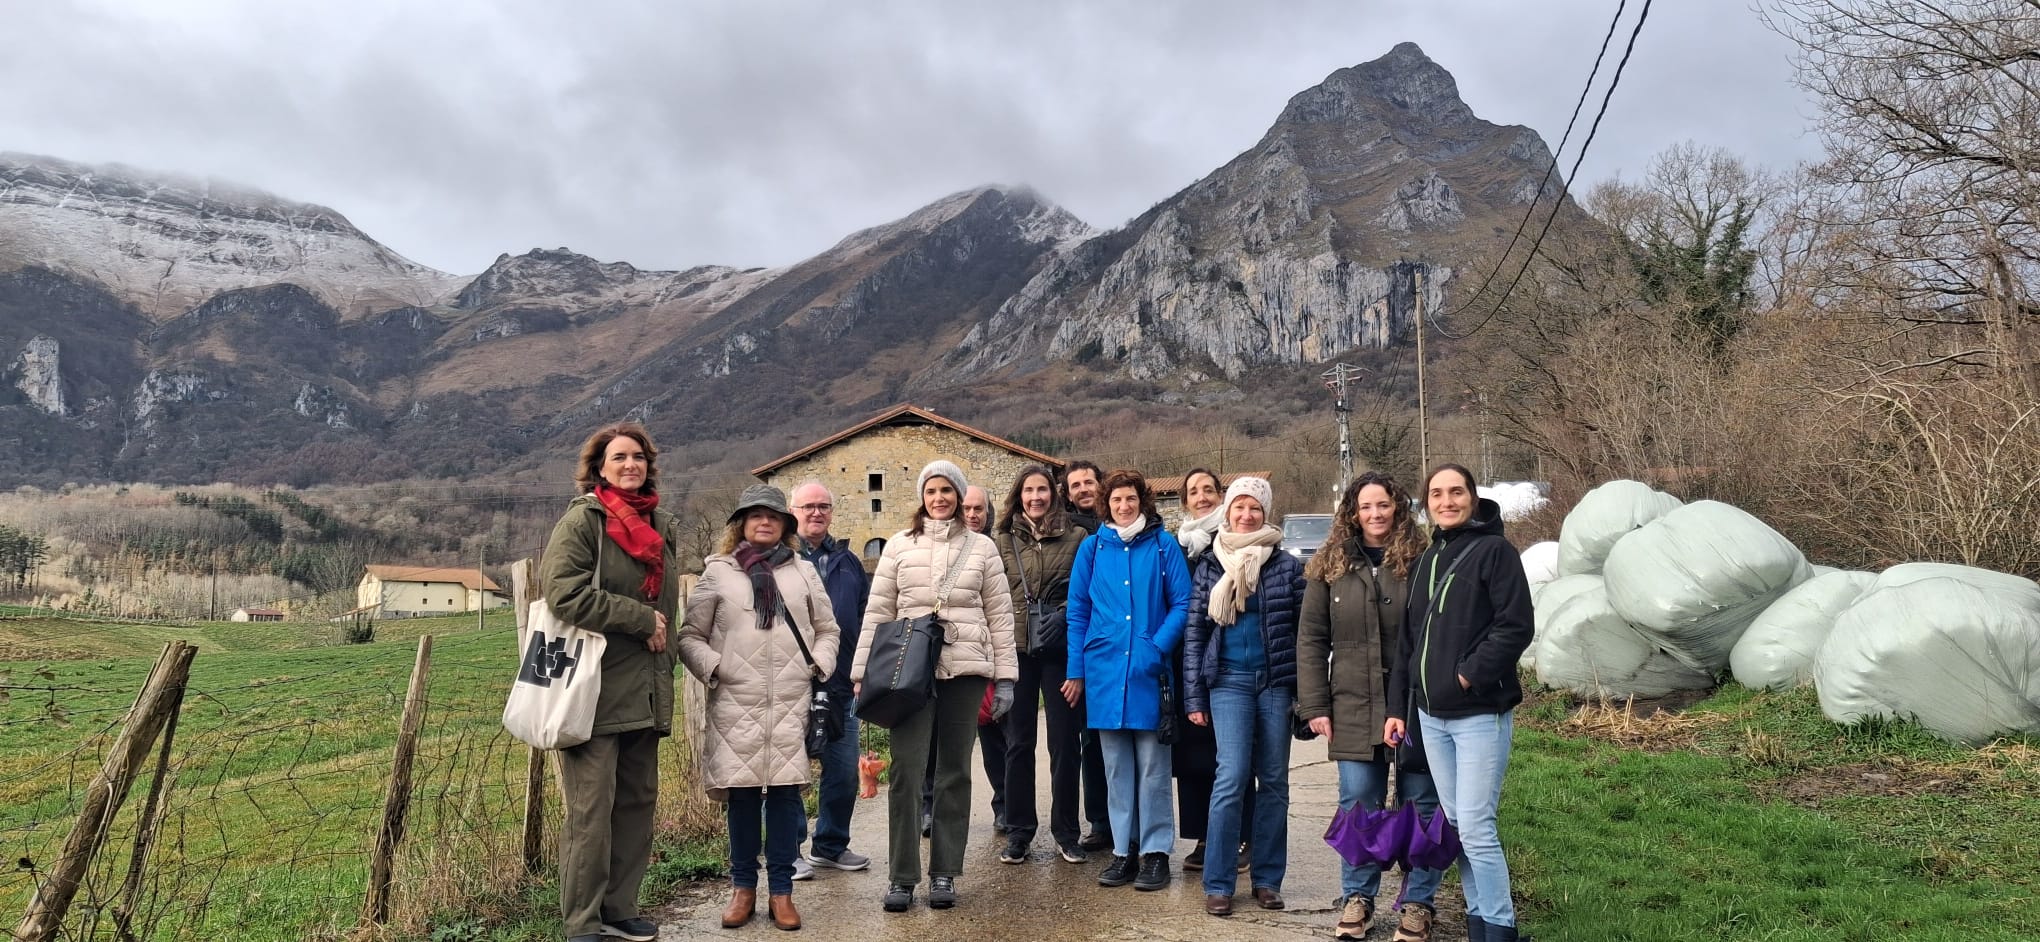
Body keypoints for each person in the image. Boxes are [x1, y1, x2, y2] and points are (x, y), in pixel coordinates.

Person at [852, 461, 1019, 913]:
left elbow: (1001, 617)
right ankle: (902, 876)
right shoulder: (900, 547)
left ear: (959, 497)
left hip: (966, 671)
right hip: (907, 672)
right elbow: (879, 609)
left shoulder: (982, 548)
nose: (939, 498)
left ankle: (945, 871)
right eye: (932, 490)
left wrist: (1005, 677)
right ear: (922, 497)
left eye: (948, 490)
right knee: (906, 771)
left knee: (953, 772)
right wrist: (861, 672)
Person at [539, 422, 680, 942]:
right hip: (591, 691)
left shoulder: (661, 523)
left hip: (644, 688)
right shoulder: (583, 523)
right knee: (591, 815)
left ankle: (621, 909)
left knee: (637, 806)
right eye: (619, 457)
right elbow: (563, 595)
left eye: (638, 456)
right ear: (599, 467)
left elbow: (668, 607)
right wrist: (637, 619)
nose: (631, 465)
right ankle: (582, 922)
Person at [679, 484, 841, 932]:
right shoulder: (719, 573)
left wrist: (818, 664)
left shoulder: (803, 572)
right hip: (736, 701)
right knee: (744, 800)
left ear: (785, 526)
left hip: (791, 700)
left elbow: (828, 629)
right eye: (755, 516)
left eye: (772, 516)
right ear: (742, 524)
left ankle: (782, 892)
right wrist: (717, 667)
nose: (764, 522)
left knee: (787, 799)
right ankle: (743, 889)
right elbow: (690, 635)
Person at [1385, 464, 1536, 942]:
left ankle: (1500, 928)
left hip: (1478, 714)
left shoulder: (1496, 552)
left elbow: (1515, 626)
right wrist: (1398, 708)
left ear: (1473, 497)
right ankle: (1480, 923)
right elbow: (1409, 643)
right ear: (1426, 503)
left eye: (1456, 492)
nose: (1446, 501)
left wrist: (1467, 676)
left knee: (1475, 827)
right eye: (1436, 493)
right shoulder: (1428, 558)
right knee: (1455, 825)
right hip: (1430, 717)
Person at [1299, 472, 1442, 942]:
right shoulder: (1330, 564)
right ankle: (1358, 896)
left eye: (1383, 505)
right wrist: (1315, 704)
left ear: (1397, 508)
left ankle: (1419, 903)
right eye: (1366, 507)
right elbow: (1312, 639)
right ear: (1352, 513)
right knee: (1358, 803)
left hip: (1416, 704)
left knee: (1421, 804)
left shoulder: (1422, 560)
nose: (1375, 515)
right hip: (1353, 705)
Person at [1066, 468, 1192, 893]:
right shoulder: (1091, 549)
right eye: (1117, 500)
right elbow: (1078, 611)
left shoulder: (1163, 545)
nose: (1124, 506)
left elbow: (1183, 603)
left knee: (1154, 767)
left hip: (1149, 672)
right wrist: (1075, 669)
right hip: (1103, 672)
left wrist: (1158, 647)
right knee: (1115, 767)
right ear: (1107, 504)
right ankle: (1124, 850)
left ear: (1143, 502)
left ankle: (1155, 853)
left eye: (1131, 499)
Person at [1183, 476, 1304, 917]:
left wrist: (1306, 694)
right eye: (1239, 508)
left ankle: (1268, 880)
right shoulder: (1211, 565)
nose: (1247, 515)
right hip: (1228, 682)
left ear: (1265, 513)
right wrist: (1194, 697)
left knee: (1274, 781)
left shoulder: (1287, 567)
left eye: (1255, 508)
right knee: (1231, 777)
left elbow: (1303, 632)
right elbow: (1196, 634)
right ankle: (1219, 881)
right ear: (1228, 512)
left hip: (1275, 683)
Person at [993, 465, 1091, 865]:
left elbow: (1088, 594)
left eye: (1043, 490)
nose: (1036, 497)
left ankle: (1067, 832)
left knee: (1065, 744)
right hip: (1015, 650)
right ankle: (1019, 832)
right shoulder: (999, 539)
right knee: (1018, 744)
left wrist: (1063, 614)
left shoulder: (1079, 537)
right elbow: (992, 596)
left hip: (1060, 649)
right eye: (1029, 490)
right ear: (1019, 495)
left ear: (1054, 493)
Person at [786, 481, 873, 881]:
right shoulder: (779, 558)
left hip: (841, 682)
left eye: (823, 506)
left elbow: (864, 615)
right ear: (792, 510)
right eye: (808, 506)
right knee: (791, 771)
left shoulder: (849, 561)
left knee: (840, 768)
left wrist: (861, 669)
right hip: (793, 683)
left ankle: (831, 845)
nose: (816, 513)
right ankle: (789, 852)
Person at [922, 485, 1010, 834]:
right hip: (937, 660)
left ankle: (1004, 805)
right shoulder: (930, 546)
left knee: (994, 739)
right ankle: (929, 807)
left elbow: (1001, 612)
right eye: (968, 508)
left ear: (988, 515)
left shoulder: (992, 549)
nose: (972, 515)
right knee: (933, 740)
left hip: (981, 659)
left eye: (980, 510)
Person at [1169, 467, 1235, 872]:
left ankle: (1238, 835)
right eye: (1194, 491)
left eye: (1209, 489)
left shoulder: (1233, 537)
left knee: (1230, 755)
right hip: (1186, 659)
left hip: (1227, 661)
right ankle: (1203, 836)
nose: (1202, 496)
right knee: (1193, 755)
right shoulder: (1179, 544)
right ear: (1185, 502)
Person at [1059, 459, 1112, 851]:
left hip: (1118, 643)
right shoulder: (1066, 530)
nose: (1082, 489)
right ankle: (1100, 821)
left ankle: (1133, 821)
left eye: (1088, 482)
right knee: (1090, 739)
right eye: (1075, 485)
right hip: (1081, 646)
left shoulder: (1120, 525)